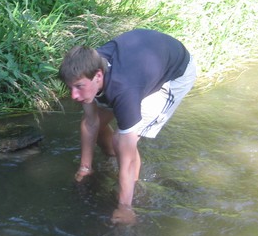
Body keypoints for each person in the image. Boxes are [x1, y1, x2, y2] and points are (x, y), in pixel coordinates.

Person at [59, 29, 197, 225]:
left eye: (79, 87)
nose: (73, 95)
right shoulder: (85, 70)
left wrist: (124, 208)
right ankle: (111, 158)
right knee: (105, 130)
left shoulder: (124, 90)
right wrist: (85, 168)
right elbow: (91, 122)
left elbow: (128, 149)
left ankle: (134, 193)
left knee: (121, 142)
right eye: (70, 87)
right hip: (144, 61)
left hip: (173, 75)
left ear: (98, 76)